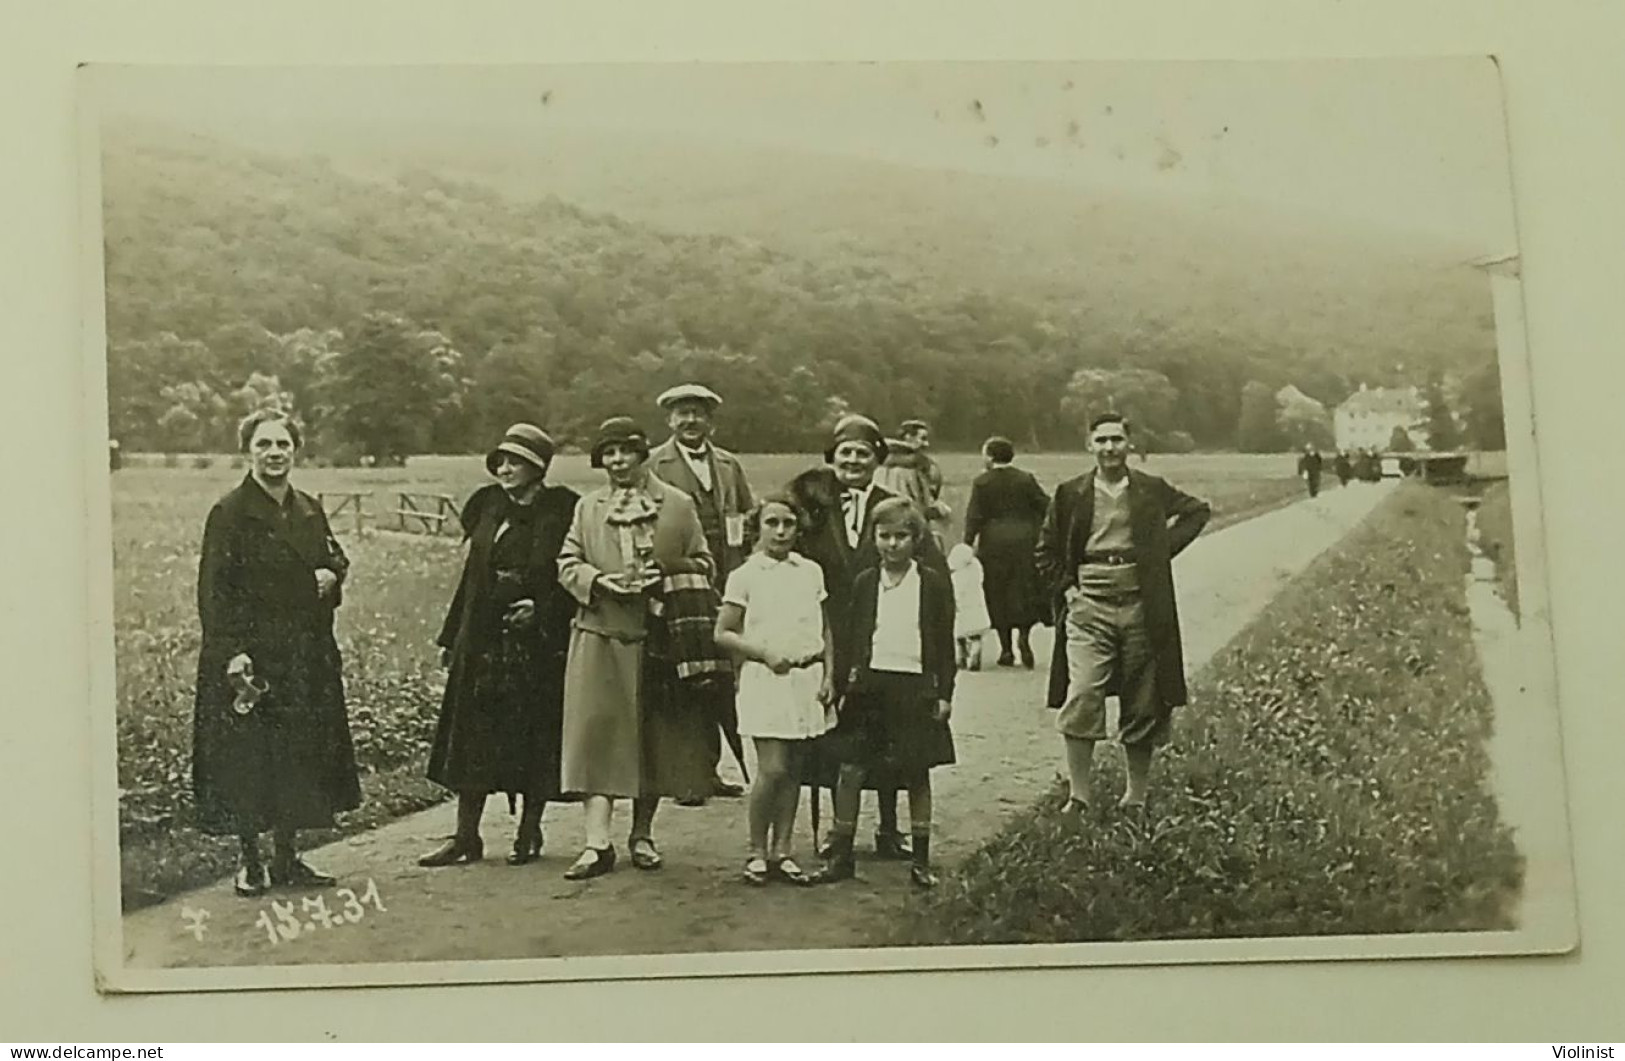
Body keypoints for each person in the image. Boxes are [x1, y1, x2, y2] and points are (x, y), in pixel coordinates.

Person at [191, 409, 360, 897]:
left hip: (303, 653)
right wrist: (231, 654)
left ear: (295, 450)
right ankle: (249, 861)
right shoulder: (229, 513)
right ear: (248, 452)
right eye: (263, 445)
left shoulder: (308, 507)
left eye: (282, 444)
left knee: (296, 754)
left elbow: (333, 556)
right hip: (252, 657)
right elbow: (214, 592)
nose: (274, 454)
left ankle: (288, 858)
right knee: (248, 758)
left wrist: (333, 575)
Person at [556, 417, 719, 880]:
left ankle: (641, 835)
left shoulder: (678, 505)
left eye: (626, 451)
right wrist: (597, 580)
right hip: (599, 633)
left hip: (658, 635)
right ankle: (596, 843)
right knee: (596, 735)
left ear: (642, 454)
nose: (617, 461)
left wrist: (664, 573)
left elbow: (705, 563)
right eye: (608, 453)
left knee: (653, 738)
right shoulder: (588, 507)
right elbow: (567, 561)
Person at [419, 424, 580, 869]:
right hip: (484, 639)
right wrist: (453, 637)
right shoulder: (488, 508)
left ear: (538, 468)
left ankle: (529, 830)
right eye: (501, 462)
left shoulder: (562, 511)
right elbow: (471, 579)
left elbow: (571, 575)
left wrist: (543, 610)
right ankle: (466, 836)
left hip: (538, 643)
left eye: (516, 462)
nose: (505, 469)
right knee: (471, 737)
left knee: (532, 736)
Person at [789, 414, 948, 862]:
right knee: (840, 736)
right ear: (831, 458)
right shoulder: (812, 504)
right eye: (845, 453)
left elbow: (929, 566)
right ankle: (839, 834)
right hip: (827, 630)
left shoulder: (894, 507)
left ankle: (890, 827)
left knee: (893, 737)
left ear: (877, 459)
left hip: (884, 631)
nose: (854, 461)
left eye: (863, 453)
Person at [1036, 413, 1210, 815]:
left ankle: (1136, 796)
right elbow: (1044, 551)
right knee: (1082, 692)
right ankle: (1079, 795)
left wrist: (1158, 551)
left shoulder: (1149, 489)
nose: (1110, 447)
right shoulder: (1070, 493)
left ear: (1129, 444)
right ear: (1089, 445)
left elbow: (1197, 511)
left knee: (1143, 696)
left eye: (1117, 439)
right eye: (1101, 440)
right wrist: (1069, 593)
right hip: (1088, 605)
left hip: (1141, 604)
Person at [809, 497, 957, 888]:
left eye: (901, 537)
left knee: (916, 771)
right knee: (851, 769)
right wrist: (843, 685)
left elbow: (944, 644)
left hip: (915, 686)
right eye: (884, 536)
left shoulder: (933, 583)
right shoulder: (865, 582)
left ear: (916, 539)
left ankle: (921, 860)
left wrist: (944, 693)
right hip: (870, 686)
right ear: (874, 538)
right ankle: (842, 856)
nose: (892, 544)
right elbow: (853, 637)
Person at [713, 494, 836, 886]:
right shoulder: (746, 575)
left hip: (806, 680)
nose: (781, 531)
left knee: (796, 770)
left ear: (798, 529)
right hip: (766, 680)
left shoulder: (811, 571)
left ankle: (783, 849)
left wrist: (829, 676)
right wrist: (764, 653)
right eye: (772, 523)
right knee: (773, 768)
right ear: (758, 527)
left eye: (788, 523)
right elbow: (723, 633)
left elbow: (826, 629)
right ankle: (756, 850)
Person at [647, 383, 753, 805]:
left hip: (722, 582)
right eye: (682, 413)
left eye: (698, 413)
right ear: (669, 420)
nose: (690, 421)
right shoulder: (655, 464)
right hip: (675, 584)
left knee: (718, 677)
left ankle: (709, 770)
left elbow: (745, 517)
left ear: (711, 420)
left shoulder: (728, 464)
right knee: (682, 679)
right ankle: (684, 775)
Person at [962, 435, 1051, 669]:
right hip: (1025, 541)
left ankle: (1006, 649)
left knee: (997, 592)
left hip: (994, 543)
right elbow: (1046, 506)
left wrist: (967, 544)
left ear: (990, 456)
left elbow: (974, 516)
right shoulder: (1025, 479)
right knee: (1023, 590)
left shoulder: (982, 482)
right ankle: (1024, 636)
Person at [899, 418, 951, 548]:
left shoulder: (929, 467)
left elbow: (932, 497)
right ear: (907, 438)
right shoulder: (883, 466)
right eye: (922, 438)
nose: (926, 444)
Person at [947, 542, 992, 671]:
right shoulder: (976, 568)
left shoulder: (956, 577)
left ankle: (960, 658)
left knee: (959, 637)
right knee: (976, 637)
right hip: (977, 607)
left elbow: (955, 594)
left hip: (961, 611)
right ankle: (974, 658)